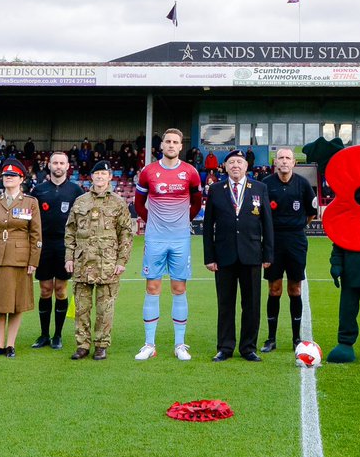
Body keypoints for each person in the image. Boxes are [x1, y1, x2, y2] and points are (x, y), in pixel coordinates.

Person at [133, 128, 202, 361]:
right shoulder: (148, 172)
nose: (171, 145)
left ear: (181, 146)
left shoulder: (190, 172)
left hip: (180, 238)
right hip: (155, 238)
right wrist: (153, 222)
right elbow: (139, 204)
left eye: (175, 142)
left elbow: (196, 203)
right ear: (161, 145)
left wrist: (181, 222)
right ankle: (149, 344)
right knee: (152, 288)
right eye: (167, 141)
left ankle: (180, 344)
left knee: (179, 289)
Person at [203, 150, 275, 362]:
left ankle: (248, 347)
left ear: (246, 166)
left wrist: (268, 253)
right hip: (223, 255)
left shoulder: (260, 188)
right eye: (231, 162)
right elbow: (208, 227)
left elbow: (267, 224)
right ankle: (225, 347)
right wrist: (209, 256)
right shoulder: (216, 189)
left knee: (251, 303)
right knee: (225, 303)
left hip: (251, 254)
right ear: (224, 167)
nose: (235, 165)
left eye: (239, 162)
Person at [66, 160, 135, 360]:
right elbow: (70, 230)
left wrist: (122, 261)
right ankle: (82, 345)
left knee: (105, 308)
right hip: (82, 261)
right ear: (91, 177)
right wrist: (68, 257)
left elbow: (126, 234)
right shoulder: (80, 201)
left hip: (108, 263)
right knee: (81, 307)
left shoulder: (118, 202)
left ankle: (101, 344)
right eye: (96, 174)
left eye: (103, 174)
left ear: (109, 177)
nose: (100, 177)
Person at [0, 160, 42, 358]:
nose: (8, 178)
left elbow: (36, 234)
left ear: (21, 179)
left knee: (16, 303)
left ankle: (10, 345)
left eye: (13, 176)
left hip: (20, 258)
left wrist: (34, 260)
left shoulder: (30, 202)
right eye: (6, 175)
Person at [260, 147, 317, 352]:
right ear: (275, 162)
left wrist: (296, 226)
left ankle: (296, 338)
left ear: (294, 163)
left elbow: (311, 213)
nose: (284, 161)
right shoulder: (266, 184)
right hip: (272, 241)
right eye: (281, 158)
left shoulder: (303, 184)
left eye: (288, 158)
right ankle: (271, 339)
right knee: (274, 289)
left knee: (295, 289)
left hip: (295, 240)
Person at [28, 151, 84, 350]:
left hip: (65, 246)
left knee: (60, 289)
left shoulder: (76, 191)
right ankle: (43, 335)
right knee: (45, 290)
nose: (58, 166)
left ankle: (58, 335)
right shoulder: (38, 190)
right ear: (49, 165)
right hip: (43, 246)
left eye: (62, 163)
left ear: (68, 166)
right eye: (55, 163)